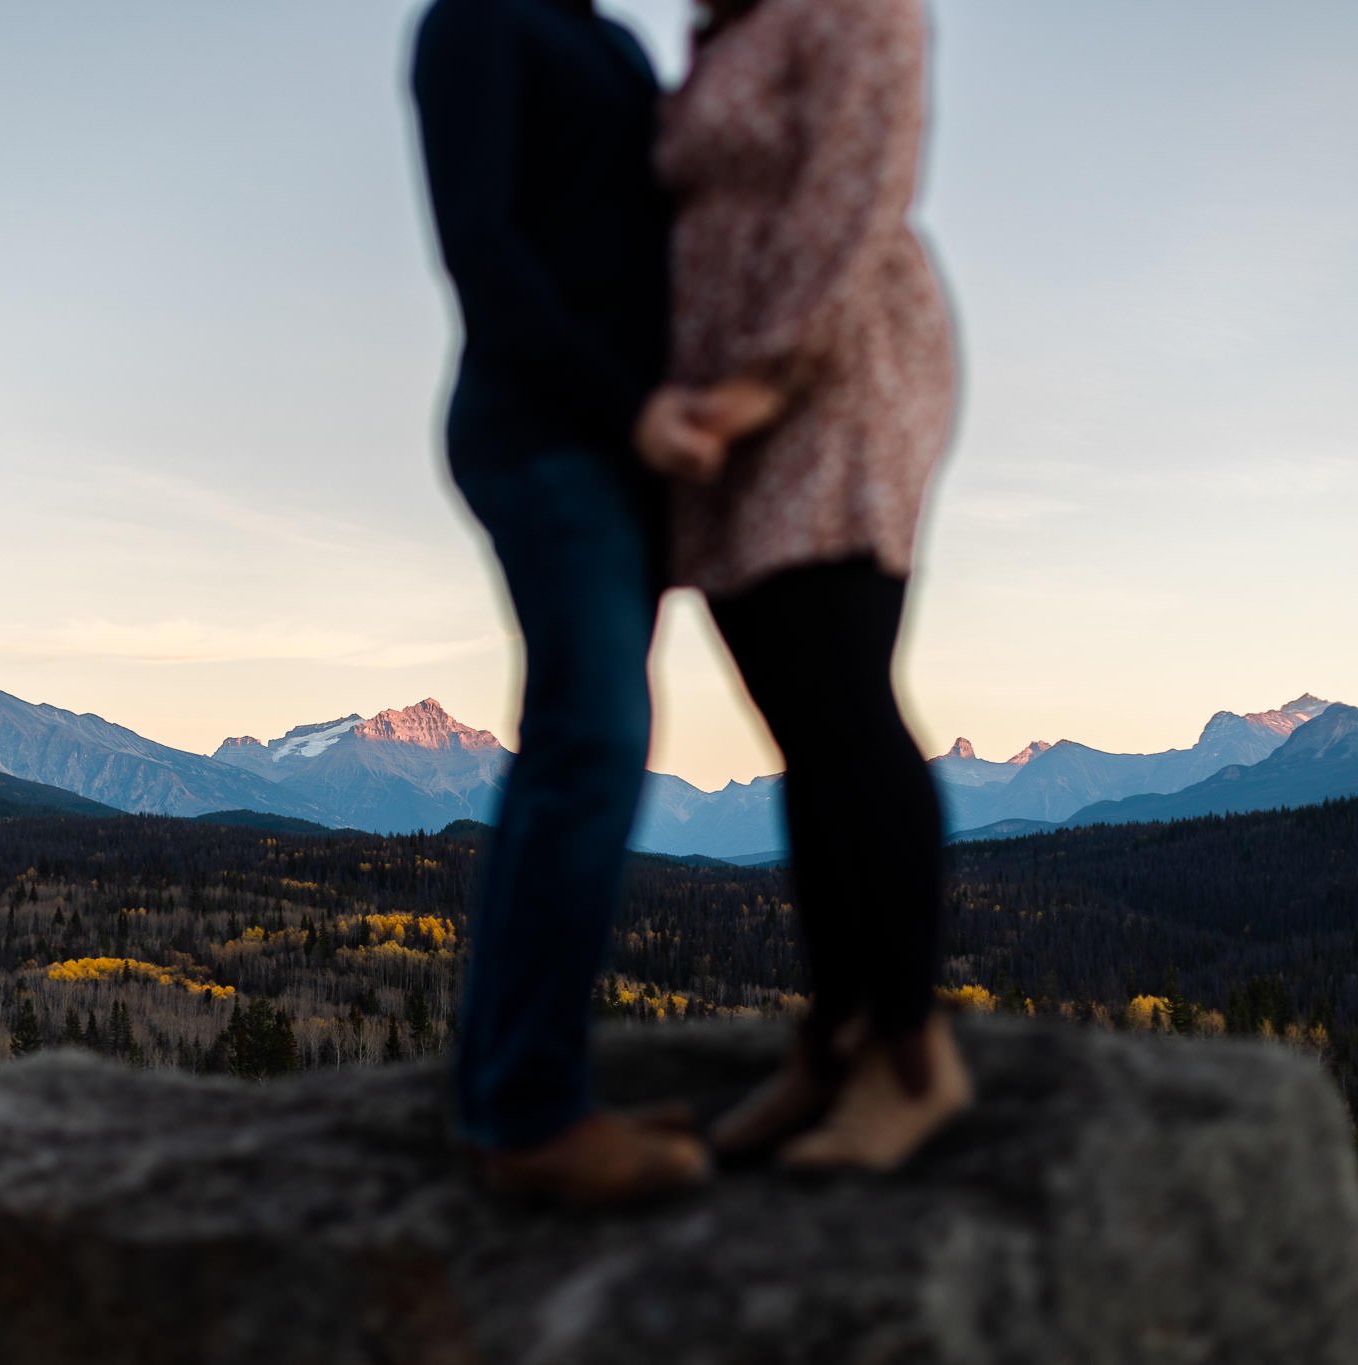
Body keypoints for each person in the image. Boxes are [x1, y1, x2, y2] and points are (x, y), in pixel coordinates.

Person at [639, 0, 972, 1170]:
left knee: (838, 696)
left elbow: (854, 185)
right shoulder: (731, 29)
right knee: (797, 715)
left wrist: (762, 381)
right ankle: (830, 1037)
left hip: (825, 380)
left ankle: (906, 1054)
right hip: (732, 394)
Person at [409, 0, 718, 1206]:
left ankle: (511, 1093)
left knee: (573, 749)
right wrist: (627, 404)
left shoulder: (606, 40)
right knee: (592, 741)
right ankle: (530, 1112)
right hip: (546, 431)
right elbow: (480, 246)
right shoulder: (479, 21)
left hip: (611, 447)